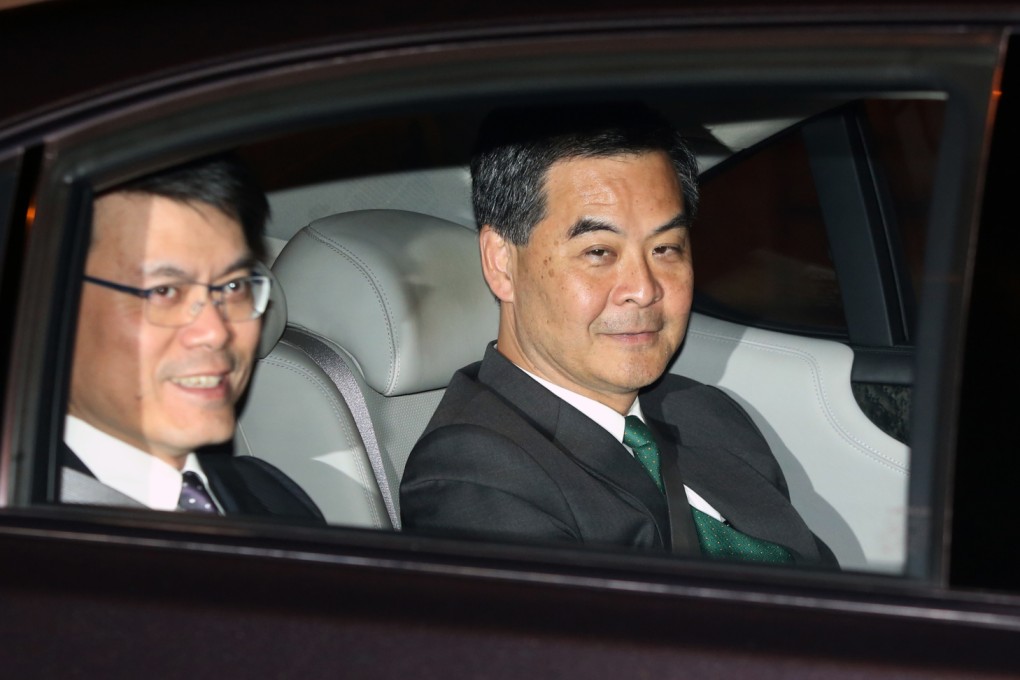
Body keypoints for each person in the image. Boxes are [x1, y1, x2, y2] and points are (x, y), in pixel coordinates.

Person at [400, 104, 836, 565]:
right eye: (599, 251)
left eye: (665, 247)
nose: (644, 289)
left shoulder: (706, 412)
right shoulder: (474, 473)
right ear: (501, 262)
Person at [62, 156, 322, 522]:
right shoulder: (29, 533)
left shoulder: (275, 498)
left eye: (233, 286)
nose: (217, 331)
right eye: (164, 291)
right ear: (51, 306)